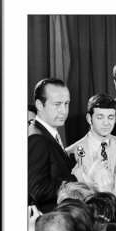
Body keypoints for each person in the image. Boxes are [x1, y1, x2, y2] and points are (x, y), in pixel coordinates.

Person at [66, 93, 116, 204]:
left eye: (110, 117)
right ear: (89, 119)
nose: (106, 123)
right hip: (90, 215)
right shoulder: (72, 152)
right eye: (100, 117)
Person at [28, 78, 77, 213]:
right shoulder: (37, 138)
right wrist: (74, 179)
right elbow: (36, 190)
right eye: (57, 104)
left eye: (66, 104)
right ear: (39, 104)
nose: (63, 111)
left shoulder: (48, 132)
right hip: (50, 224)